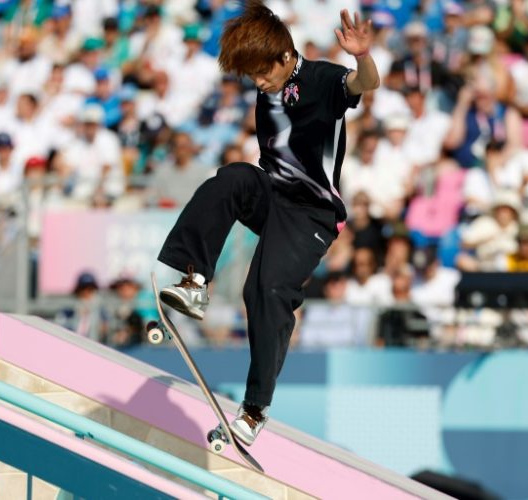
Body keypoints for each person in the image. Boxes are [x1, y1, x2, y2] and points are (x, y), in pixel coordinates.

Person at [155, 2, 379, 445]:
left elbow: (362, 84)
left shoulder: (320, 79)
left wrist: (362, 57)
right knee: (232, 178)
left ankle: (255, 410)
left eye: (262, 73)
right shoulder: (265, 83)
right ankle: (196, 280)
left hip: (311, 215)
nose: (258, 83)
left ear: (284, 56)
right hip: (273, 196)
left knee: (265, 290)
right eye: (250, 76)